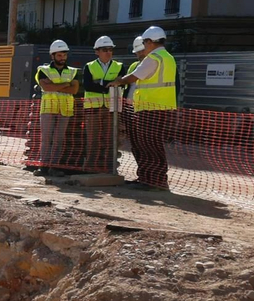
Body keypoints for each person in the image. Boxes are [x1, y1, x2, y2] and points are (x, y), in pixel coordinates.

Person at [117, 25, 177, 190]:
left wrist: (118, 81)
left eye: (145, 42)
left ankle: (153, 180)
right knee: (152, 144)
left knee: (149, 144)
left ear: (150, 42)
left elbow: (136, 76)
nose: (143, 46)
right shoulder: (168, 57)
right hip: (160, 107)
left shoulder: (154, 57)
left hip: (149, 108)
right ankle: (149, 178)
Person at [79, 36, 123, 172]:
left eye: (110, 49)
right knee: (93, 140)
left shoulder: (119, 66)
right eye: (105, 50)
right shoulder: (89, 66)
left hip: (113, 108)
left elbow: (122, 83)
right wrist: (107, 84)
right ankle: (91, 167)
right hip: (93, 108)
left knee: (112, 139)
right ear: (97, 51)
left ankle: (110, 168)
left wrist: (99, 83)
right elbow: (88, 85)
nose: (108, 52)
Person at [33, 39, 79, 172]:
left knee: (59, 139)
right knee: (46, 139)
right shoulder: (43, 70)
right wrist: (65, 84)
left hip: (65, 109)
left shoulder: (72, 71)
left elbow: (74, 90)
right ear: (52, 56)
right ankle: (44, 166)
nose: (62, 58)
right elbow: (46, 87)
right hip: (48, 109)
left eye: (64, 55)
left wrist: (55, 86)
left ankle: (54, 166)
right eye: (59, 55)